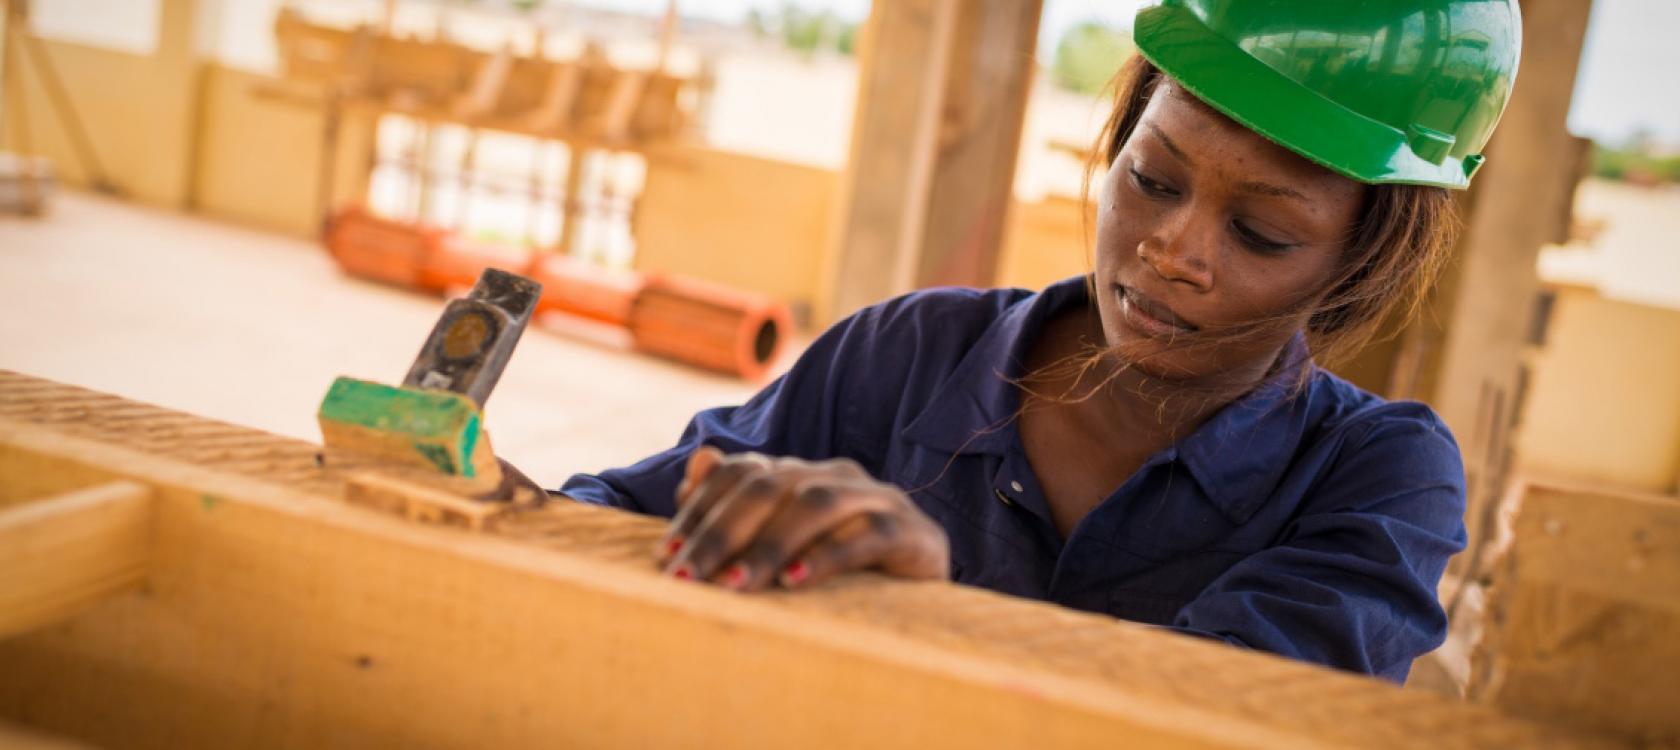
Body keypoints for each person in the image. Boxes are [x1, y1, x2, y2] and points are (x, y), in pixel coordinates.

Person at [551, 0, 1521, 684]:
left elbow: (1237, 717)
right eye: (1153, 178)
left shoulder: (1378, 476)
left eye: (1261, 234)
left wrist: (931, 621)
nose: (1171, 249)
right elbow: (610, 520)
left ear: (1358, 262)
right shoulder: (909, 352)